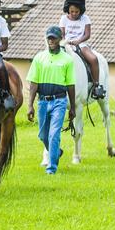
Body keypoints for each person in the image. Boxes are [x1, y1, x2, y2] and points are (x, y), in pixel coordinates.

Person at [25, 26, 76, 175]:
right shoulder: (39, 57)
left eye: (54, 38)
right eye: (49, 38)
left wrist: (72, 107)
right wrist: (30, 106)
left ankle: (51, 168)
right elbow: (33, 83)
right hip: (42, 102)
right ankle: (56, 151)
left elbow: (70, 84)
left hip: (59, 102)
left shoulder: (67, 59)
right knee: (43, 135)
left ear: (60, 39)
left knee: (54, 134)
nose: (51, 40)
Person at [59, 0, 104, 99]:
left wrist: (78, 41)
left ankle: (96, 86)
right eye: (71, 11)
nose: (74, 14)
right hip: (66, 45)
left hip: (81, 44)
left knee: (93, 59)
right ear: (67, 9)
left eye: (76, 12)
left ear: (81, 10)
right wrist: (66, 42)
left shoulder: (85, 19)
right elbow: (62, 34)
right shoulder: (63, 19)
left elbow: (87, 35)